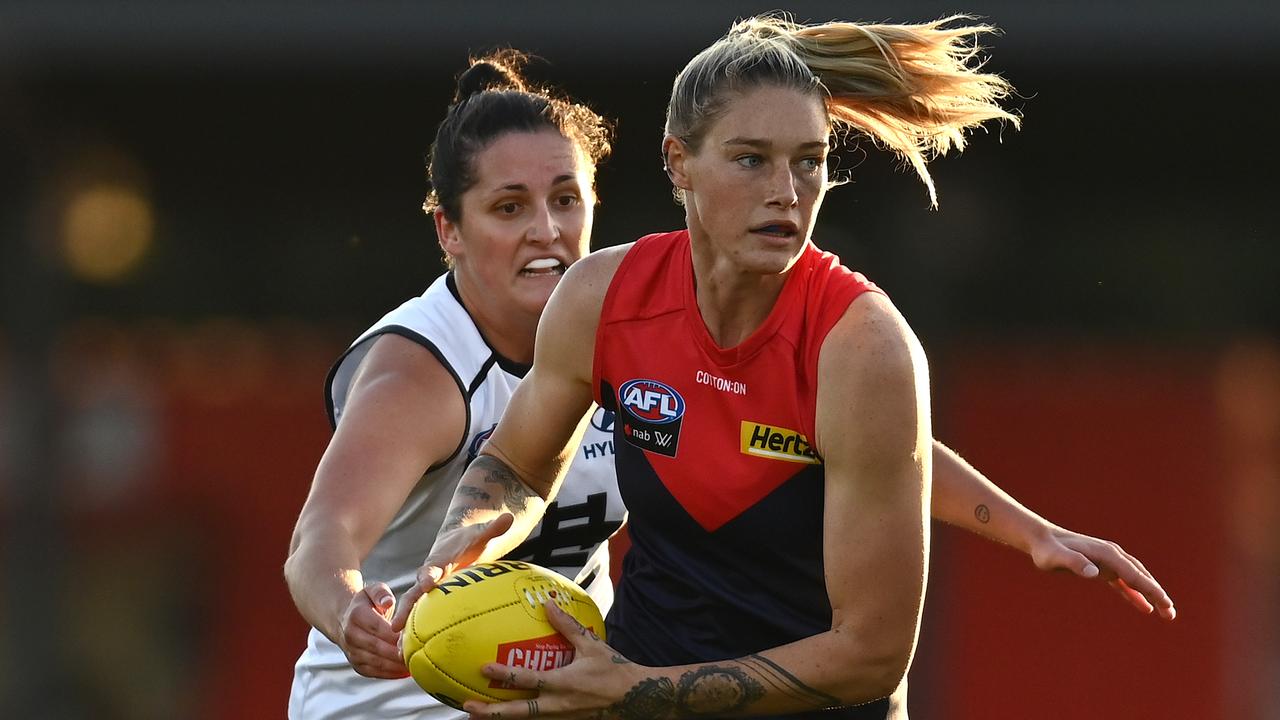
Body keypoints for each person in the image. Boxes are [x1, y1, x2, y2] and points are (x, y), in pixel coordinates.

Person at [399, 16, 1177, 720]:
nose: (786, 193)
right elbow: (515, 463)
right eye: (751, 160)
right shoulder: (603, 298)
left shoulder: (863, 345)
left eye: (810, 162)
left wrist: (631, 690)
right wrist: (464, 536)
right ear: (680, 164)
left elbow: (872, 655)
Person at [284, 52, 625, 719]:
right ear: (450, 230)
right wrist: (350, 611)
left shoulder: (629, 332)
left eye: (565, 199)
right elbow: (319, 540)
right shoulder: (421, 370)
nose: (546, 231)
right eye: (509, 207)